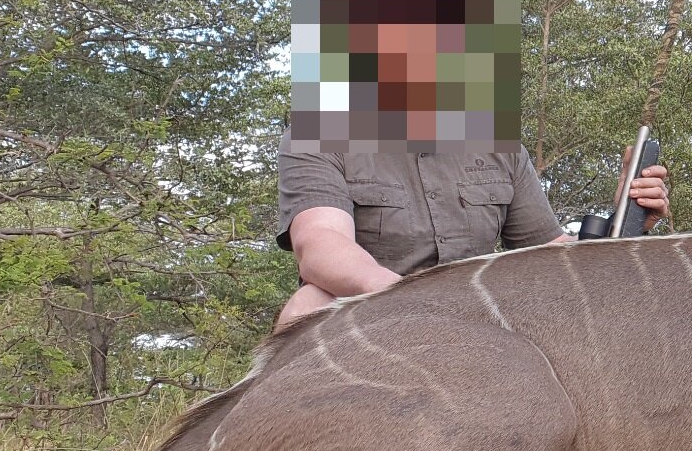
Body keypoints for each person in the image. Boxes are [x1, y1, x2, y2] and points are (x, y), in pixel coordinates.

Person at [274, 140, 670, 329]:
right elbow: (321, 245)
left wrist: (627, 221)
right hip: (374, 313)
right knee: (306, 306)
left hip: (481, 320)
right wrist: (422, 304)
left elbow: (549, 254)